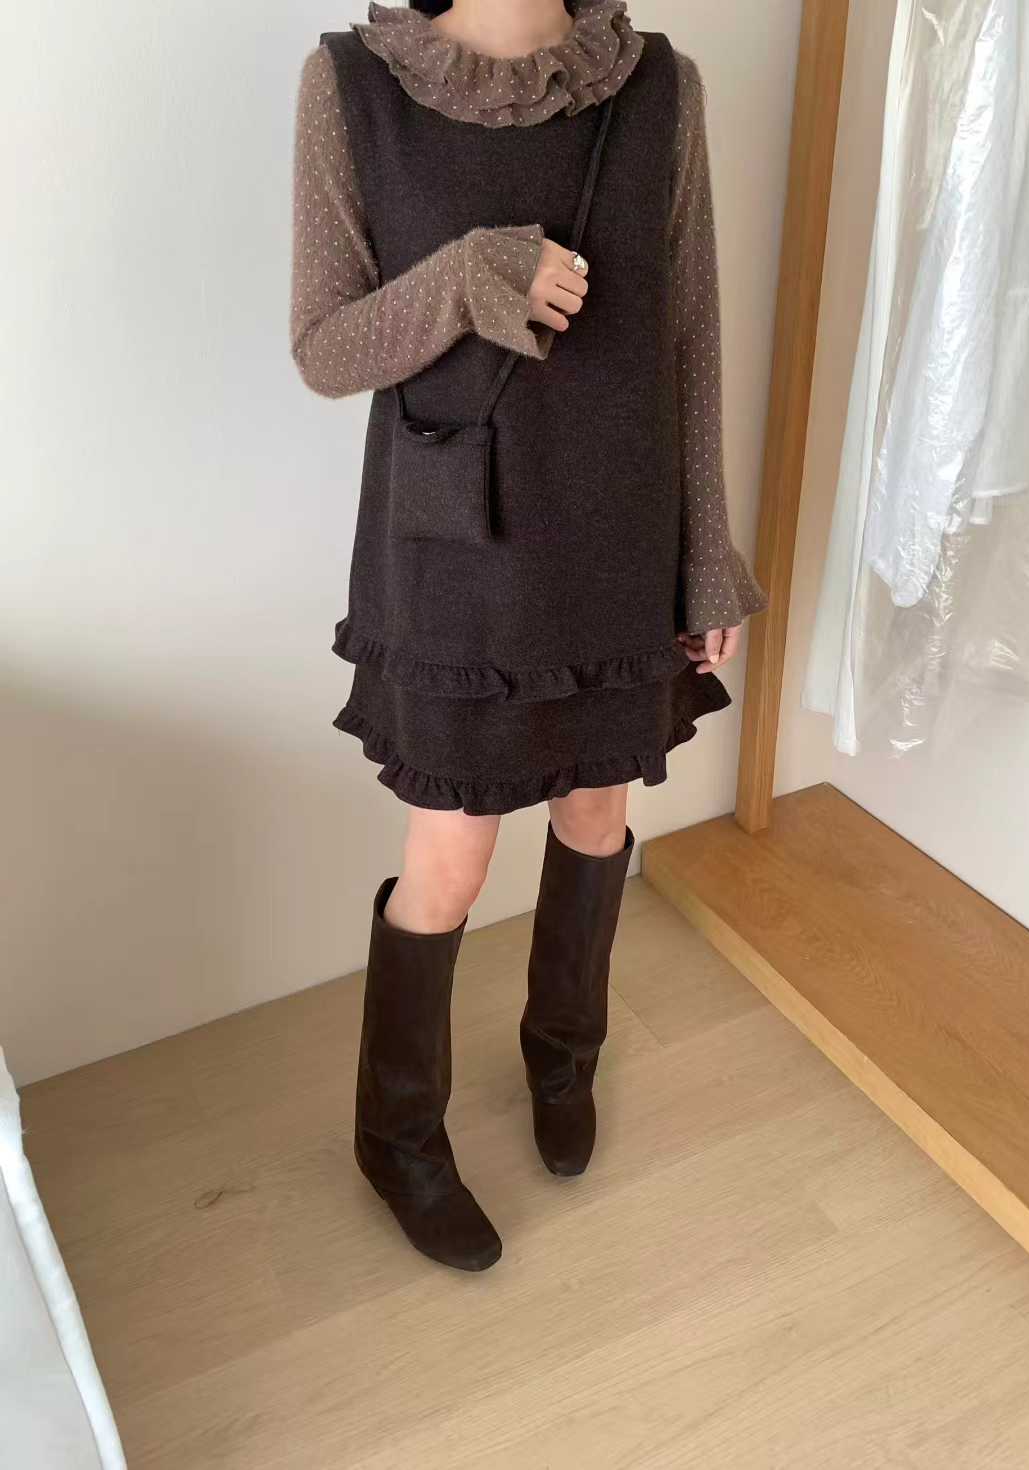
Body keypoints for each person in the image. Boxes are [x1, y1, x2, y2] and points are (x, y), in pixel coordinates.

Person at [290, 0, 767, 1271]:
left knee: (597, 814)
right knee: (450, 858)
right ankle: (397, 1138)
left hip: (617, 539)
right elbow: (326, 350)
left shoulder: (657, 86)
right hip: (456, 553)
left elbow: (689, 334)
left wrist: (705, 561)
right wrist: (468, 274)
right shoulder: (355, 86)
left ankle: (565, 1058)